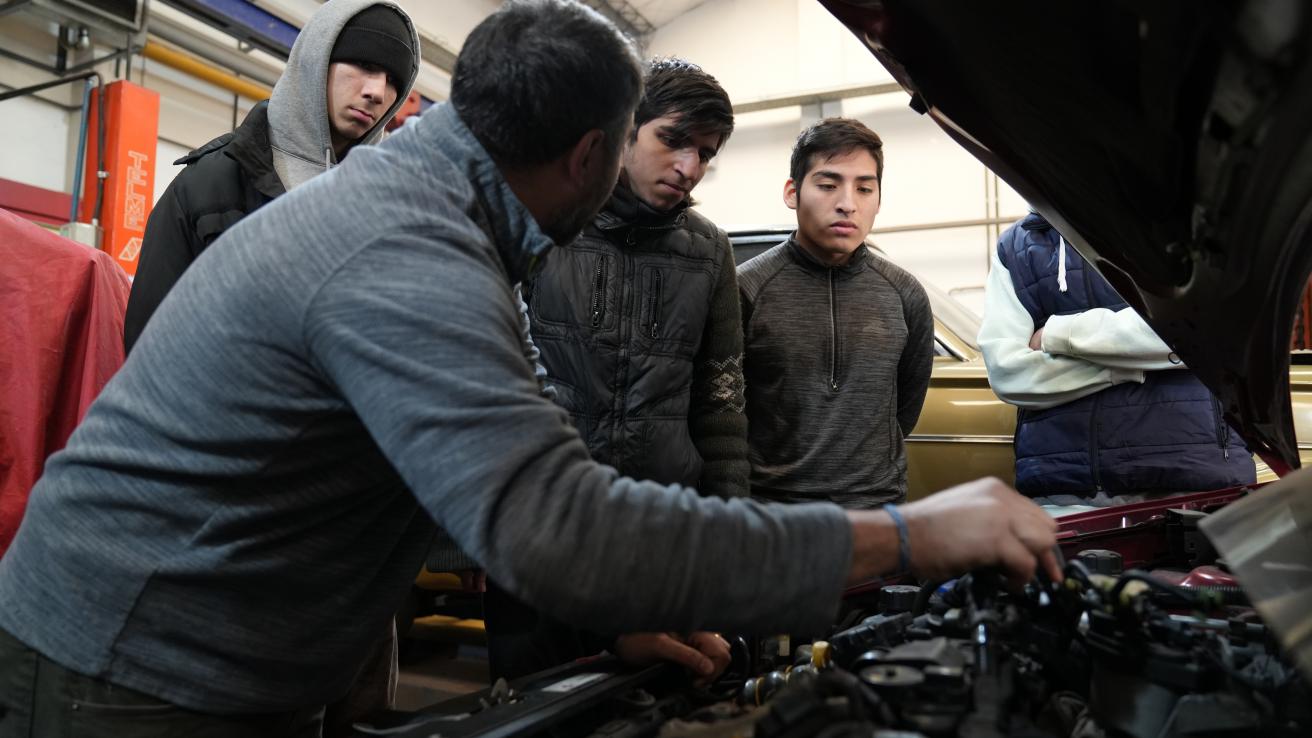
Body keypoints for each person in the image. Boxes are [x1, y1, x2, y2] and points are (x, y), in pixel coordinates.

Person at [0, 2, 1059, 735]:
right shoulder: (407, 257)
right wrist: (908, 536)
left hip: (205, 645)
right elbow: (550, 521)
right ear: (593, 156)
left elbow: (472, 479)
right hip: (129, 666)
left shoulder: (438, 213)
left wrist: (616, 602)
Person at [489, 57, 746, 680]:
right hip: (542, 534)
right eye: (673, 140)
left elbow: (721, 405)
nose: (689, 166)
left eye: (706, 153)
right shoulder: (539, 222)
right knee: (537, 704)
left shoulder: (710, 252)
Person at [123, 0, 419, 353]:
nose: (376, 92)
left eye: (393, 82)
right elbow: (149, 346)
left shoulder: (391, 206)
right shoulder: (208, 184)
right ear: (316, 59)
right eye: (364, 64)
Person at [977, 211, 1256, 504]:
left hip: (1195, 471)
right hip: (1072, 485)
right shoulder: (1017, 246)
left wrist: (1056, 334)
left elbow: (1209, 332)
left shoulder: (1189, 229)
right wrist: (1130, 365)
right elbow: (1008, 373)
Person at [738, 118, 936, 509]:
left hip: (876, 509)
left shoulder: (905, 293)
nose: (848, 203)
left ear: (878, 198)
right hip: (772, 513)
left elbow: (905, 409)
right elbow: (722, 414)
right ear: (793, 192)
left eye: (865, 188)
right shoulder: (744, 288)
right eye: (828, 185)